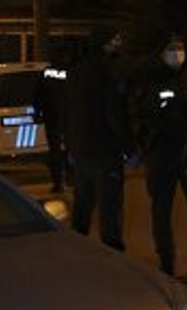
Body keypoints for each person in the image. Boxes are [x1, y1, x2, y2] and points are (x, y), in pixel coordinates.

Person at [139, 33, 187, 276]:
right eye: (172, 48)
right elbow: (144, 115)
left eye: (180, 47)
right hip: (161, 155)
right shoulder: (152, 79)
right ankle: (167, 264)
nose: (177, 52)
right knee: (161, 211)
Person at [65, 26, 130, 251]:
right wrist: (128, 146)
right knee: (109, 208)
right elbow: (114, 114)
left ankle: (77, 251)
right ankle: (113, 258)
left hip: (81, 150)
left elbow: (68, 110)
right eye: (116, 40)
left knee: (82, 206)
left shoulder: (76, 71)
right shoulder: (108, 73)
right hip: (105, 152)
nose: (118, 45)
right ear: (105, 43)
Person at [34, 57, 70, 193]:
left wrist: (38, 112)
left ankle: (58, 183)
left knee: (55, 151)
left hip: (52, 117)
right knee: (70, 149)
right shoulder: (71, 71)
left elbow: (38, 95)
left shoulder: (46, 73)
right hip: (67, 116)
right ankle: (71, 180)